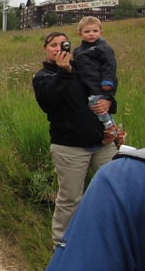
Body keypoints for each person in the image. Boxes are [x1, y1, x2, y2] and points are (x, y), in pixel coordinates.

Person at [20, 145, 145, 271]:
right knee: (70, 199)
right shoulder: (130, 178)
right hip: (71, 144)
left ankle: (70, 268)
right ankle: (62, 256)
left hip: (102, 145)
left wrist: (107, 115)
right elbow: (52, 114)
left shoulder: (130, 179)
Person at [32, 31, 117, 246]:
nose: (58, 48)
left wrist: (109, 102)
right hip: (69, 147)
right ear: (45, 49)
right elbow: (51, 101)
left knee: (114, 189)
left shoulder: (83, 70)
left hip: (102, 143)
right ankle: (62, 244)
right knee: (70, 198)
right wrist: (64, 71)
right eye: (53, 45)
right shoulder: (42, 77)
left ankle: (107, 237)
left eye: (63, 44)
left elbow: (100, 93)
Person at [72, 16, 125, 143]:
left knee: (96, 105)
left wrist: (108, 80)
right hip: (86, 85)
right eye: (87, 31)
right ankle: (117, 133)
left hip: (99, 85)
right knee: (96, 105)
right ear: (80, 34)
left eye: (95, 31)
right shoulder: (78, 51)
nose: (91, 34)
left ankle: (109, 128)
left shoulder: (103, 48)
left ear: (100, 32)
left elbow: (110, 65)